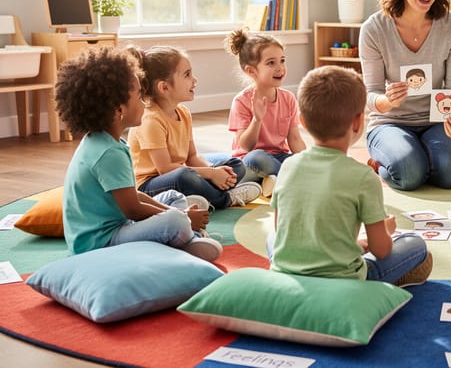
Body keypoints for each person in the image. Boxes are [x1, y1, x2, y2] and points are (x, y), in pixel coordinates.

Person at [269, 65, 432, 286]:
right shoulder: (364, 177)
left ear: (303, 122)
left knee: (272, 239)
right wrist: (386, 230)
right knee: (416, 245)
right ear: (357, 122)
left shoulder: (288, 165)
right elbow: (382, 250)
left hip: (288, 270)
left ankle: (350, 246)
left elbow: (281, 232)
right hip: (342, 277)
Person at [56, 47, 222, 261]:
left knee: (173, 197)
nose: (145, 103)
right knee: (175, 221)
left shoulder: (106, 142)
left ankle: (182, 238)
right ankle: (184, 241)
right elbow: (133, 209)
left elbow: (134, 196)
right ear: (119, 110)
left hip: (118, 225)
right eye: (138, 98)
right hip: (101, 244)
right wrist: (183, 218)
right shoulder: (108, 154)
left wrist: (177, 212)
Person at [360, 0, 451, 191]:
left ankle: (417, 155)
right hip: (390, 121)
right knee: (409, 176)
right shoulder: (374, 29)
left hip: (437, 120)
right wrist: (387, 102)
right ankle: (390, 160)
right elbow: (370, 93)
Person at [128, 46, 262, 210]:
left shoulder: (183, 113)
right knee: (185, 176)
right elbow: (165, 170)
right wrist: (211, 174)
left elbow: (192, 156)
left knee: (235, 165)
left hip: (183, 170)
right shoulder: (151, 120)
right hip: (151, 185)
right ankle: (225, 199)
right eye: (187, 75)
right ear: (164, 87)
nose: (194, 80)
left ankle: (195, 197)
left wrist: (216, 172)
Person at [220, 29, 306, 197]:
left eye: (282, 60)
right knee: (256, 158)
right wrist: (257, 119)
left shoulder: (288, 98)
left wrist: (307, 159)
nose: (280, 68)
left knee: (298, 161)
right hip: (250, 160)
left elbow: (294, 139)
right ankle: (287, 178)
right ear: (251, 71)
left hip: (279, 157)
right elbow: (246, 146)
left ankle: (274, 180)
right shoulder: (241, 101)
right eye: (271, 63)